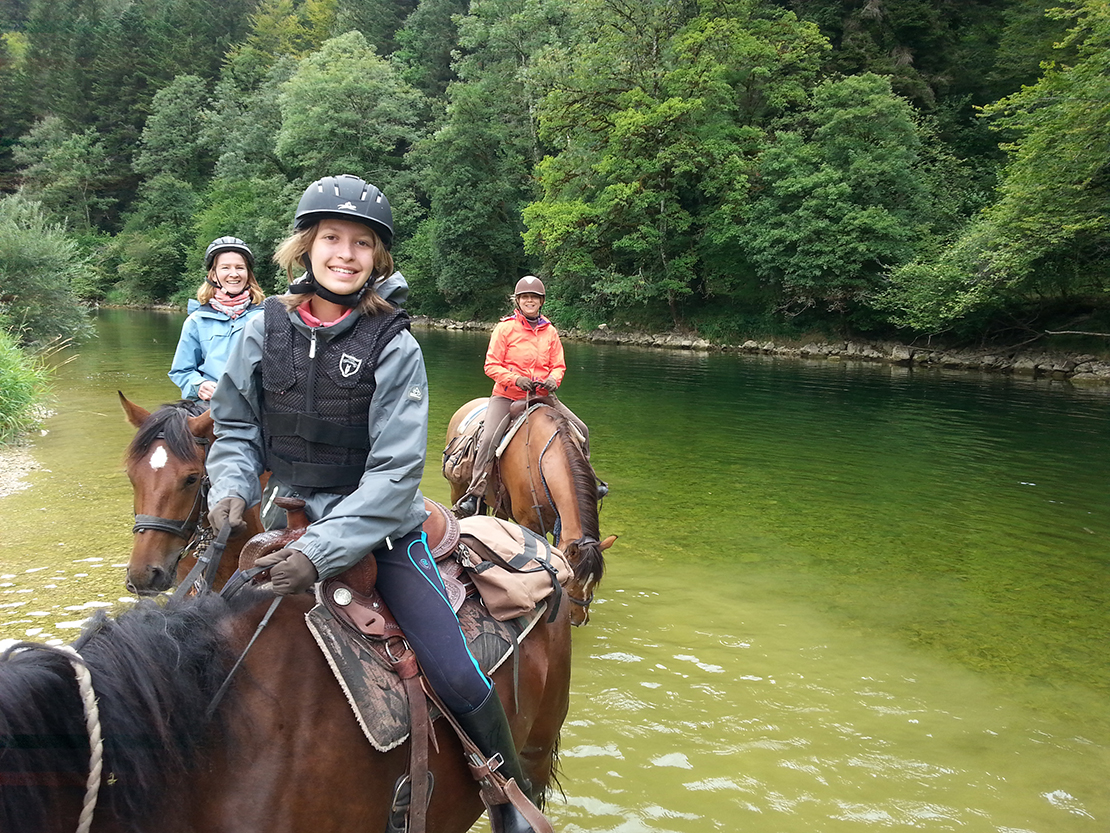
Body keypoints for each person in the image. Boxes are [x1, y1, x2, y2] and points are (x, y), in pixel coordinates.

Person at [204, 174, 543, 833]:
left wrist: (319, 554)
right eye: (332, 237)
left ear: (377, 259)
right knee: (196, 636)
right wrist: (229, 490)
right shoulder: (259, 330)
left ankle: (509, 796)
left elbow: (392, 480)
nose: (345, 252)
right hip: (285, 519)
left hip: (385, 535)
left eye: (362, 243)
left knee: (452, 666)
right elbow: (238, 428)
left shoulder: (396, 345)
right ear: (307, 245)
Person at [454, 276, 600, 518]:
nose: (529, 301)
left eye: (534, 297)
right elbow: (491, 365)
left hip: (542, 396)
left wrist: (554, 379)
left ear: (541, 301)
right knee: (490, 438)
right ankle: (475, 492)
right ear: (518, 301)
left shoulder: (550, 331)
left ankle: (587, 481)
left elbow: (558, 365)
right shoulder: (505, 328)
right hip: (507, 396)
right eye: (525, 297)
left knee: (582, 430)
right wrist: (515, 379)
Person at [169, 236, 265, 401]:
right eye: (225, 268)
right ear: (213, 275)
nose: (234, 274)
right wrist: (198, 385)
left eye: (240, 267)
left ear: (248, 273)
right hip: (211, 407)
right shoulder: (196, 321)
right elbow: (182, 371)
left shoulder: (267, 317)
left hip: (256, 406)